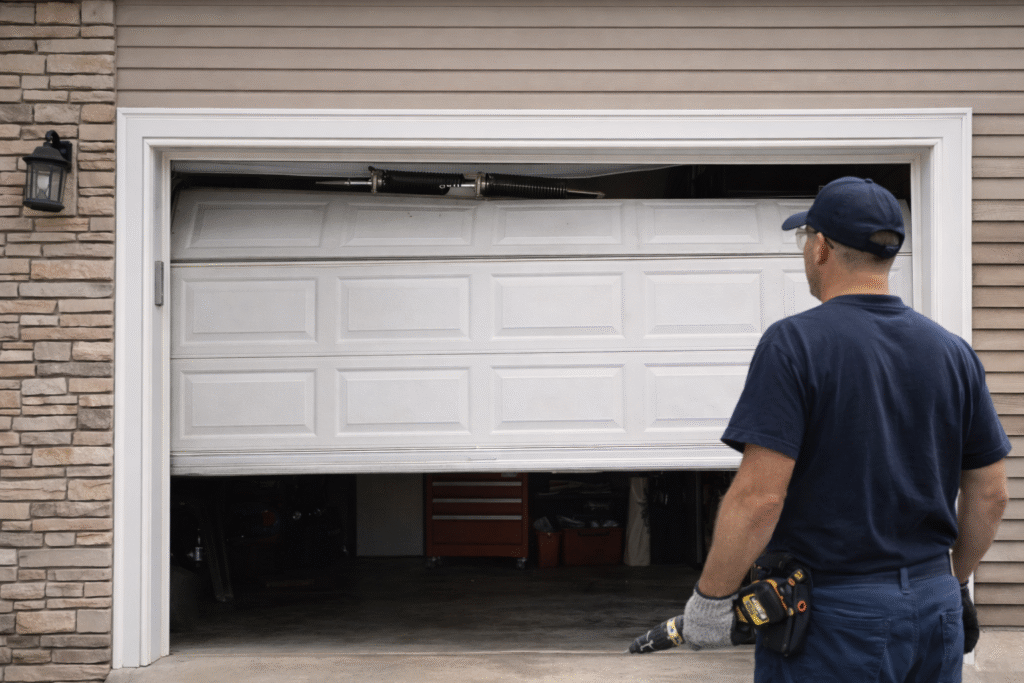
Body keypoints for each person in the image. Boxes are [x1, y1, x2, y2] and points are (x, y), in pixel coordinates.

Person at [680, 177, 1011, 682]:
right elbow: (991, 496)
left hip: (836, 618)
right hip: (934, 607)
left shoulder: (794, 345)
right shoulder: (953, 353)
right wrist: (952, 582)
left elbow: (759, 499)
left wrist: (711, 602)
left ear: (821, 248)